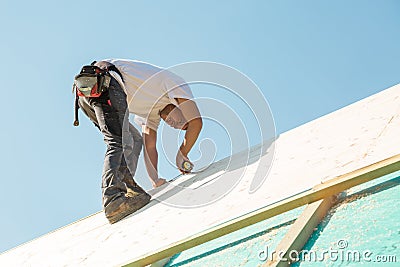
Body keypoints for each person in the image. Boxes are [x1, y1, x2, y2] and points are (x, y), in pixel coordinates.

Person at [74, 59, 202, 224]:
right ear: (179, 104)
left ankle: (128, 189)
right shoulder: (176, 84)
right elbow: (196, 122)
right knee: (118, 141)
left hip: (87, 92)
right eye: (180, 121)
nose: (175, 125)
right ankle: (113, 199)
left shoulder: (152, 113)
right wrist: (182, 153)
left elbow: (150, 145)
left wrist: (155, 180)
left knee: (134, 140)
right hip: (103, 80)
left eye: (177, 127)